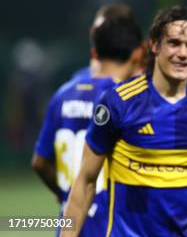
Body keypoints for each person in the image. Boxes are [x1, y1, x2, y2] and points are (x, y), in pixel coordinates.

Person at [61, 6, 187, 236]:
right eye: (174, 43)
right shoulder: (119, 102)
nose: (183, 53)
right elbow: (85, 180)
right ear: (155, 46)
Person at [32, 17, 143, 236]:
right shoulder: (125, 99)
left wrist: (65, 192)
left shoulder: (63, 94)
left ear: (95, 53)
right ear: (138, 54)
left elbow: (39, 162)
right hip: (111, 225)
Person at [71, 4, 138, 81]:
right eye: (99, 31)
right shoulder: (79, 80)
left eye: (113, 32)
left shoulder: (150, 84)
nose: (102, 37)